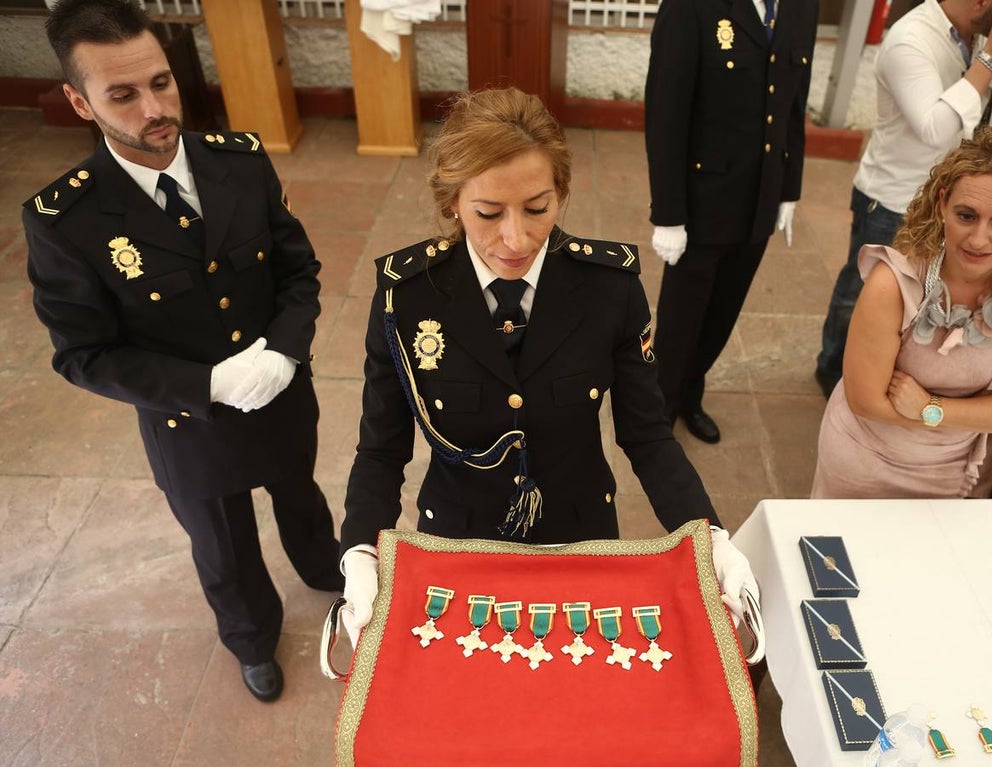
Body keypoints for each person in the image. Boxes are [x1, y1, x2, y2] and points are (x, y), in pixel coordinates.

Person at [339, 87, 759, 646]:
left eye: (538, 208)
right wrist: (361, 551)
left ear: (561, 193)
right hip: (463, 544)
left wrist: (709, 536)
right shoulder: (406, 298)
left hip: (580, 537)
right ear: (452, 203)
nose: (516, 239)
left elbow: (648, 437)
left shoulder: (609, 290)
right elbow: (381, 449)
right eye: (488, 213)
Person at [24, 0, 341, 703]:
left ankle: (324, 569)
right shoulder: (67, 219)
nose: (154, 107)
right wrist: (206, 384)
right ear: (80, 101)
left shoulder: (240, 161)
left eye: (161, 83)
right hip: (188, 423)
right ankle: (251, 637)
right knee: (222, 540)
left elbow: (298, 271)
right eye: (123, 95)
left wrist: (285, 352)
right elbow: (84, 354)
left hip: (280, 392)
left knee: (301, 491)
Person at [810, 125, 992, 499]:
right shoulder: (893, 284)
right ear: (942, 204)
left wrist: (931, 407)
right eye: (966, 215)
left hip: (963, 472)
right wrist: (988, 407)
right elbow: (867, 401)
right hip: (867, 462)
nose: (978, 239)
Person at [814, 0, 992, 398]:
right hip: (895, 199)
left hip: (954, 204)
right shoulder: (910, 40)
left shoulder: (971, 37)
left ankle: (895, 366)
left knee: (924, 294)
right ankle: (835, 369)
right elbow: (934, 127)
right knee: (865, 292)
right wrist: (991, 55)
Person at [645, 0, 820, 444]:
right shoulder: (691, 7)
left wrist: (789, 187)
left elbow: (794, 104)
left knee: (723, 312)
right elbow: (665, 113)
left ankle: (690, 392)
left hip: (761, 196)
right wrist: (668, 214)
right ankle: (657, 411)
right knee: (682, 318)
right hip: (703, 200)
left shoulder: (802, 6)